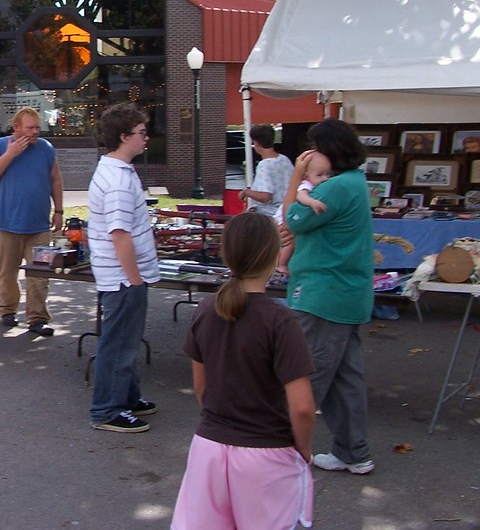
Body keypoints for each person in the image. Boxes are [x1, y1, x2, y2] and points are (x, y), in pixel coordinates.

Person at [172, 212, 316, 530]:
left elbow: (201, 387)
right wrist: (303, 449)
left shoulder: (207, 309)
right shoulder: (281, 321)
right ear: (273, 254)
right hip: (267, 452)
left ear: (226, 254)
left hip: (209, 447)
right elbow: (303, 406)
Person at [283, 118, 375, 475]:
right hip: (346, 293)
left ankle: (282, 454)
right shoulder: (354, 182)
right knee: (345, 378)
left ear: (330, 150)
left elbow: (293, 218)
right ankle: (354, 452)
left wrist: (296, 177)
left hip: (324, 293)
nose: (310, 155)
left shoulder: (336, 188)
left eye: (315, 148)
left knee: (305, 374)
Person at [87, 103, 161, 432]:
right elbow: (120, 235)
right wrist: (135, 280)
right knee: (118, 345)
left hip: (124, 277)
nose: (146, 138)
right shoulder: (116, 180)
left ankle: (128, 397)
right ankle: (107, 410)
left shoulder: (119, 171)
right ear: (123, 136)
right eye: (141, 133)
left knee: (127, 342)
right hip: (123, 279)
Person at [0, 106, 63, 336]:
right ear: (16, 128)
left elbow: (56, 180)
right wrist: (10, 154)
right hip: (7, 224)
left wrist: (59, 211)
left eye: (38, 127)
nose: (36, 132)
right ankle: (8, 310)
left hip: (39, 226)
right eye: (30, 128)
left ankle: (37, 318)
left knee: (40, 275)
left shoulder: (45, 148)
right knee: (7, 273)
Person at [274, 151, 333, 274]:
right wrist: (312, 202)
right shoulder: (306, 185)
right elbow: (301, 196)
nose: (325, 178)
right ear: (306, 176)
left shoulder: (316, 184)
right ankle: (281, 264)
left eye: (328, 174)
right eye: (320, 175)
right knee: (289, 242)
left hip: (292, 214)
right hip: (283, 216)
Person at [240, 124, 294, 217]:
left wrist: (246, 192)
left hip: (269, 215)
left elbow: (266, 196)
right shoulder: (285, 159)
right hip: (287, 211)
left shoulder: (264, 165)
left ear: (256, 142)